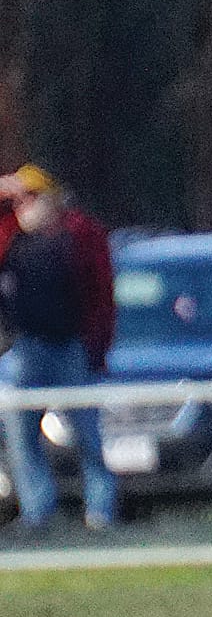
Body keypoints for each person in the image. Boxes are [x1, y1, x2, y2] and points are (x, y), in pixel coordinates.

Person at [0, 165, 118, 532]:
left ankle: (100, 511)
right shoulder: (11, 237)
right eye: (19, 198)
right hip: (23, 350)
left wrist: (96, 349)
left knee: (87, 435)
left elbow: (101, 296)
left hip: (70, 348)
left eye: (31, 196)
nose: (24, 205)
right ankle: (38, 512)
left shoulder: (80, 235)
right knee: (20, 436)